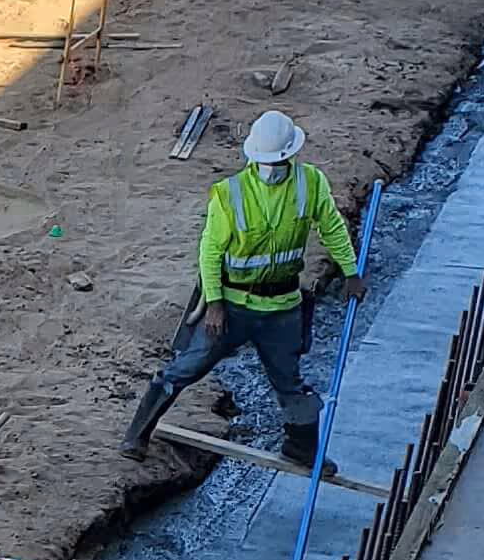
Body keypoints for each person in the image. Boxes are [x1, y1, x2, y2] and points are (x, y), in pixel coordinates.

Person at [124, 111, 359, 472]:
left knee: (291, 383)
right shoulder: (229, 194)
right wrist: (214, 303)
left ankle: (300, 450)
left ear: (288, 156)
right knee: (185, 367)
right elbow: (211, 251)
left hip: (282, 307)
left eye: (276, 161)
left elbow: (332, 228)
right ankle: (137, 434)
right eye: (264, 161)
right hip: (233, 306)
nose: (270, 167)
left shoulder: (310, 184)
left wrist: (351, 271)